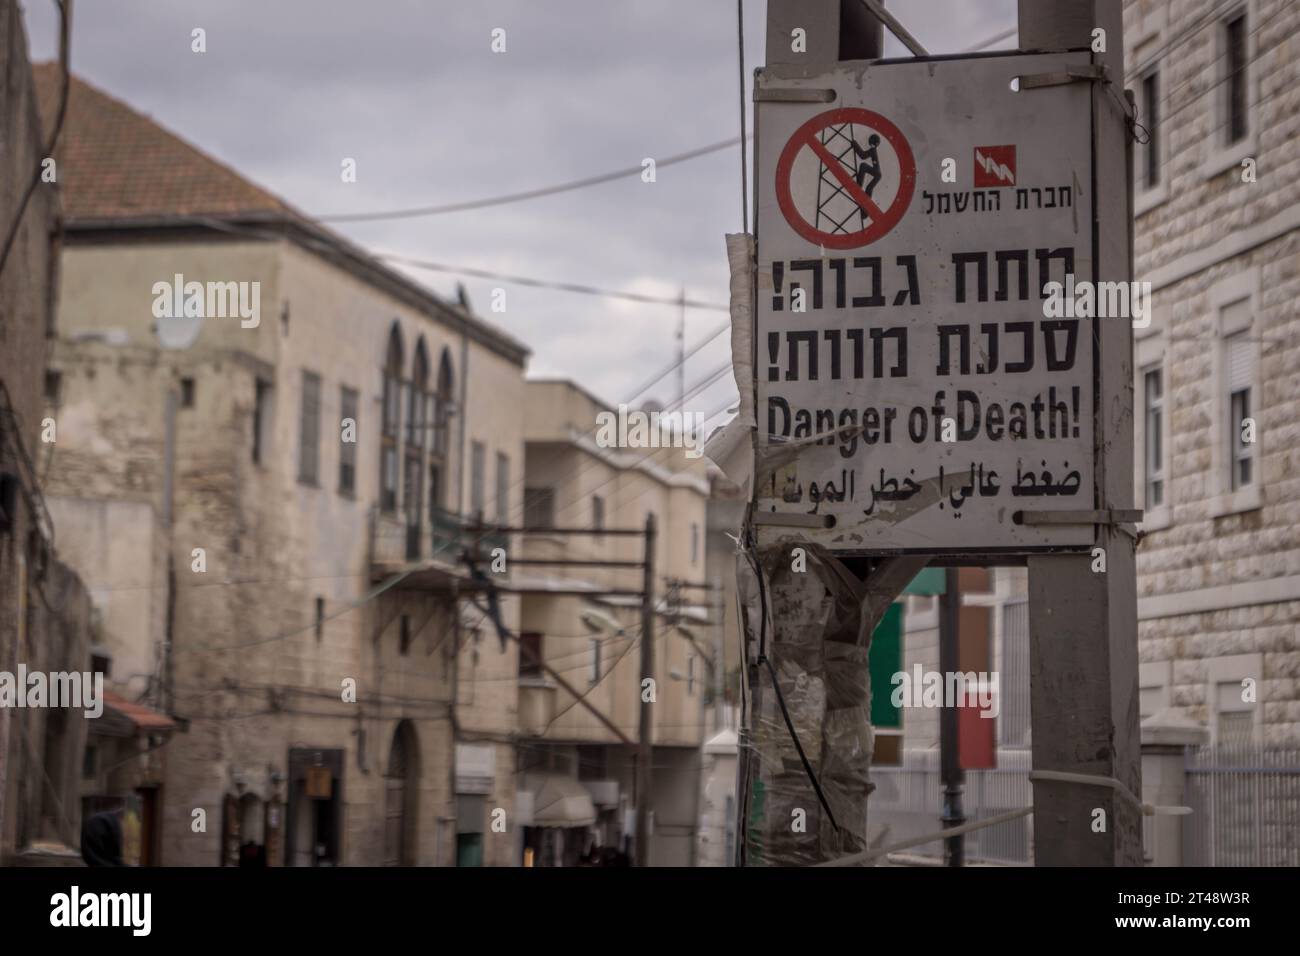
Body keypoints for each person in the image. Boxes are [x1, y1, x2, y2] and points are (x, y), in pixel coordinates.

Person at [851, 133, 882, 227]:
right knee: (868, 189)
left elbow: (862, 155)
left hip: (876, 174)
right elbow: (863, 155)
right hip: (876, 173)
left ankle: (866, 211)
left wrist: (855, 144)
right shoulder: (873, 149)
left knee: (863, 166)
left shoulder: (873, 150)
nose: (872, 145)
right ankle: (865, 211)